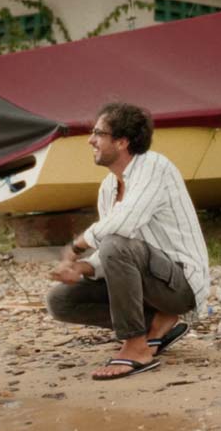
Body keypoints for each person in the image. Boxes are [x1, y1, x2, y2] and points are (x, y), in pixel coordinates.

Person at [46, 102, 210, 380]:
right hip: (147, 281)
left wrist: (76, 246)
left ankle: (136, 346)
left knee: (115, 243)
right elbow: (112, 250)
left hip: (181, 285)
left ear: (122, 142)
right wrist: (81, 268)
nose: (90, 140)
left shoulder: (154, 166)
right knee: (60, 301)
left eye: (98, 133)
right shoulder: (108, 187)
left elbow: (122, 229)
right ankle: (156, 326)